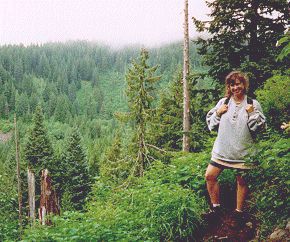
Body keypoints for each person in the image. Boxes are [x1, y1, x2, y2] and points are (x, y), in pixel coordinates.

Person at [204, 71, 266, 227]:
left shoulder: (253, 103)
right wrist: (218, 113)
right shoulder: (223, 102)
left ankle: (238, 213)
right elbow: (211, 124)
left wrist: (251, 113)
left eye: (238, 83)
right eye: (232, 84)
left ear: (244, 84)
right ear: (229, 87)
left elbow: (260, 129)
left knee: (242, 181)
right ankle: (216, 209)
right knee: (210, 176)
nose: (235, 87)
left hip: (244, 152)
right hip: (222, 150)